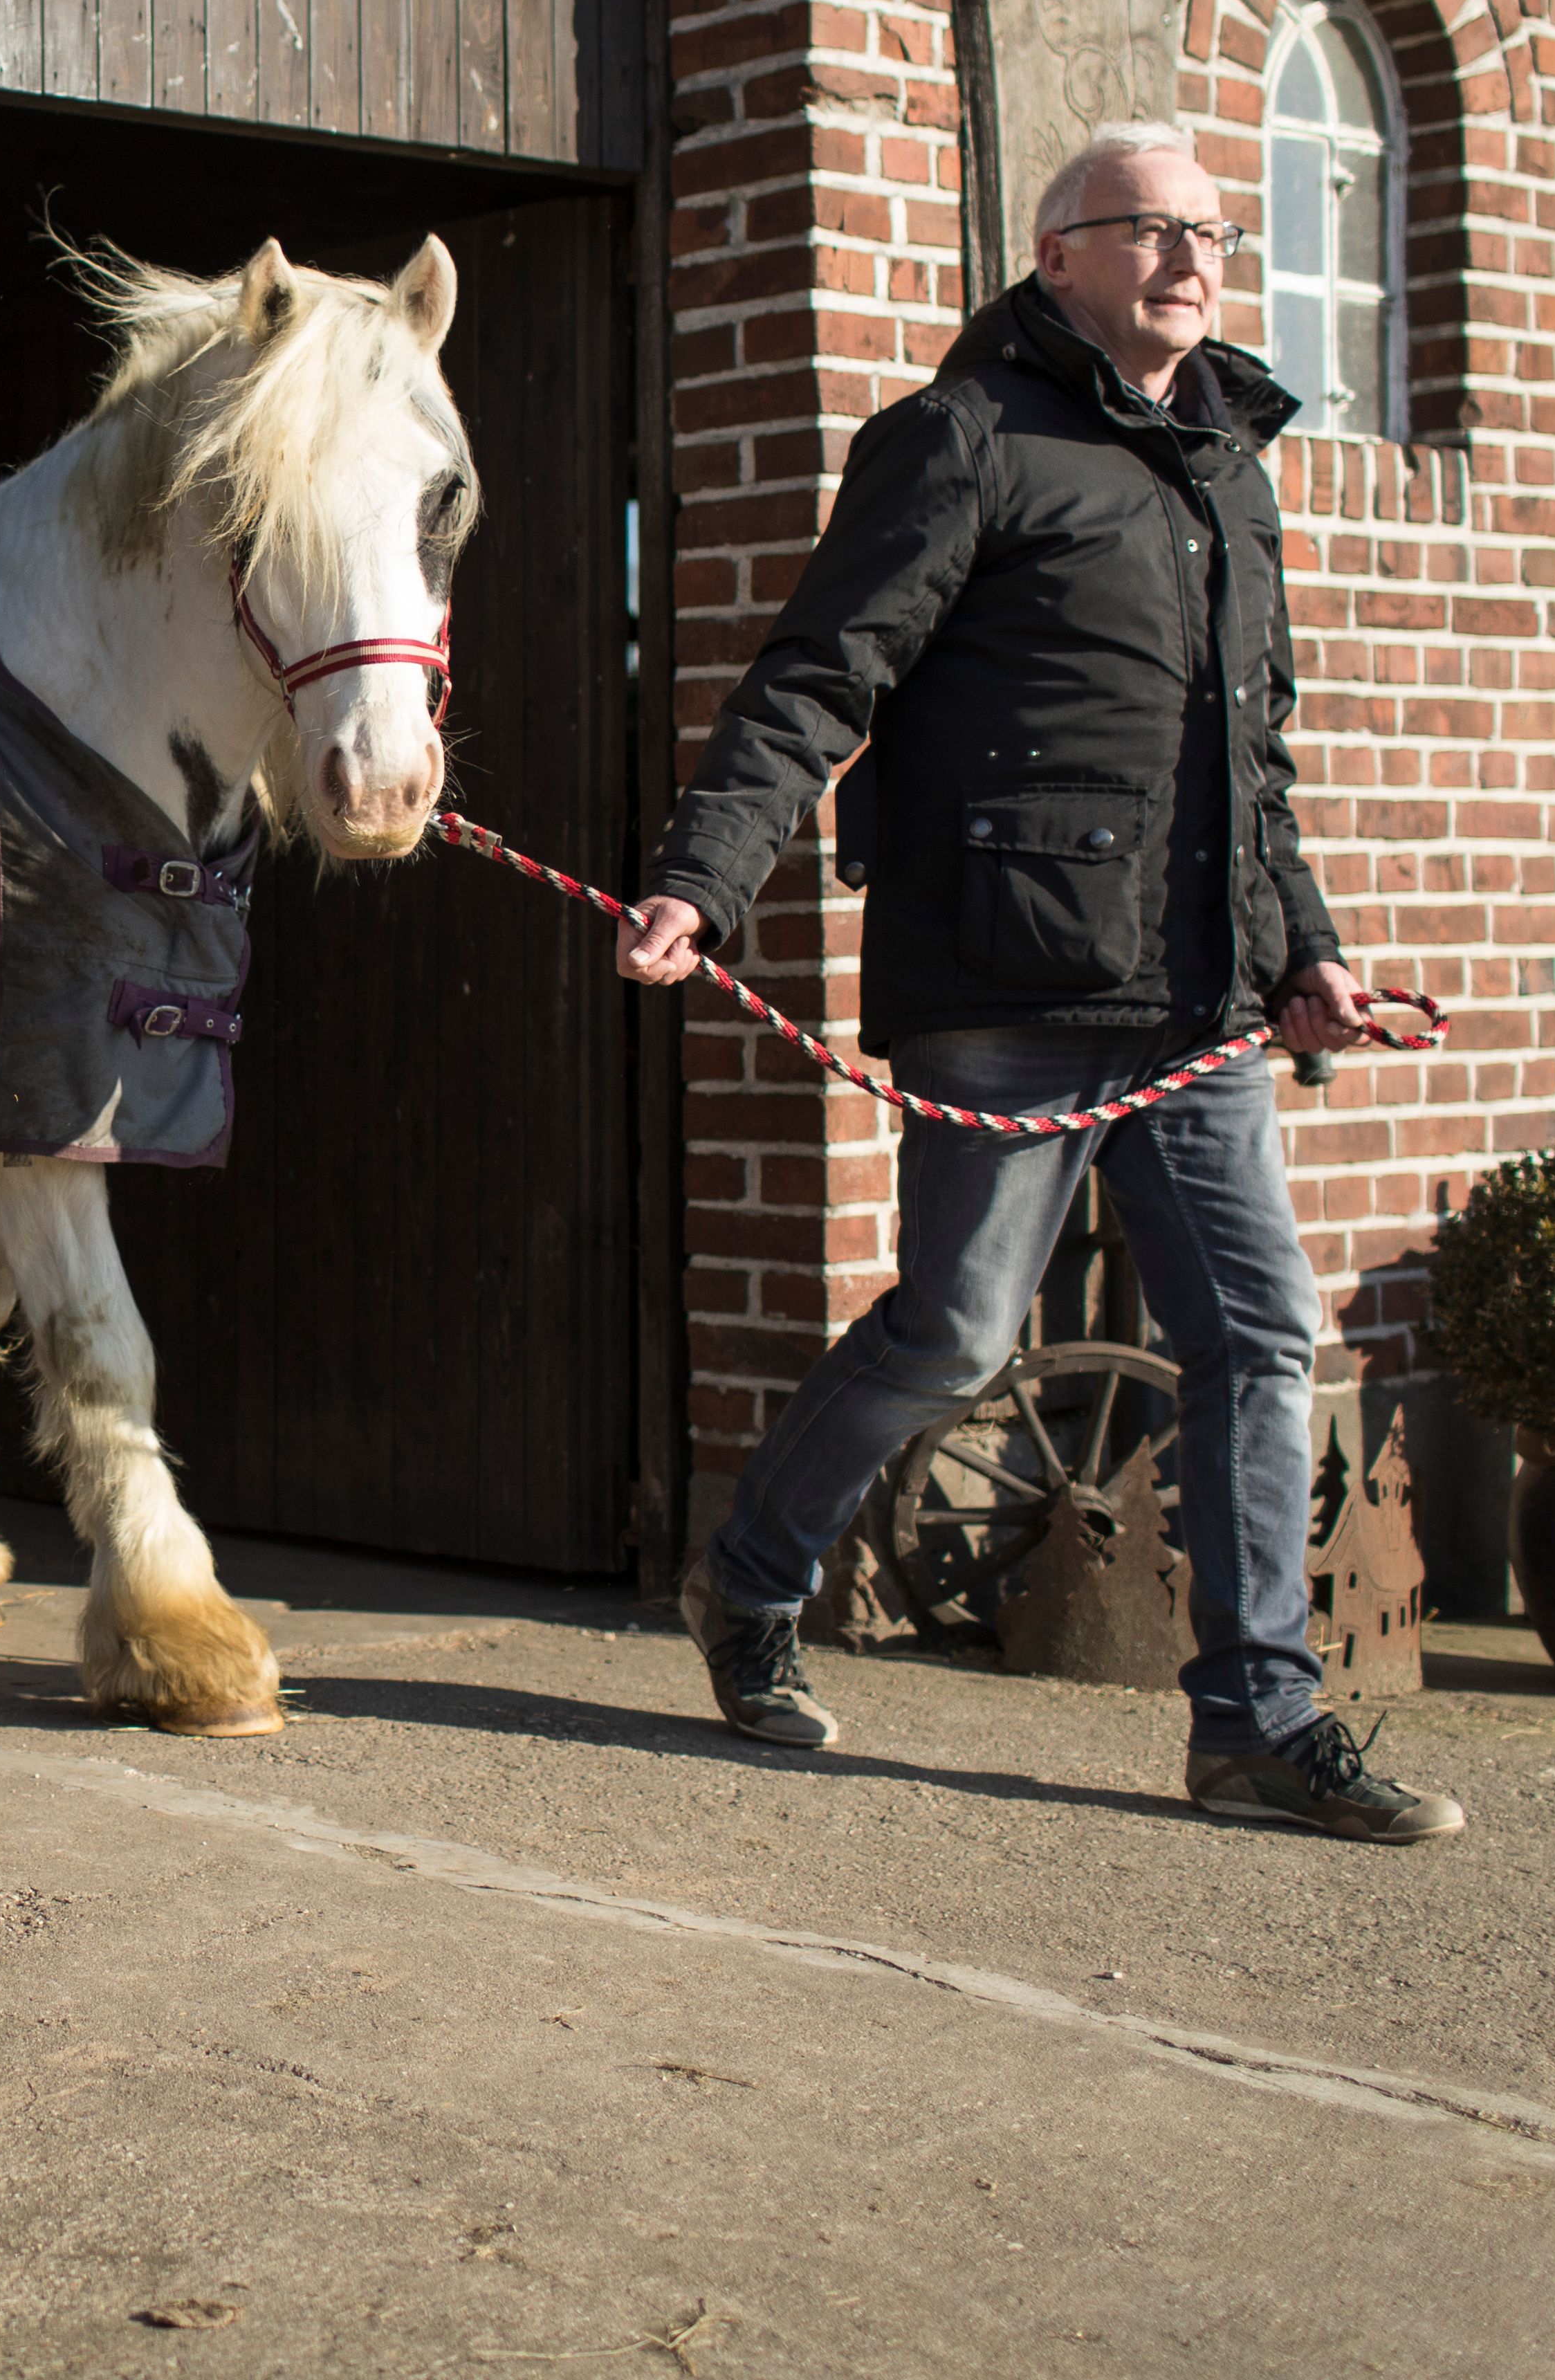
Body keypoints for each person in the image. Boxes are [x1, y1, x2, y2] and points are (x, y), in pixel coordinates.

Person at [620, 121, 1463, 1842]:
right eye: (1146, 228)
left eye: (1211, 229)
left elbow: (1252, 761)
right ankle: (753, 1574)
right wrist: (706, 877)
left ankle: (1253, 1717)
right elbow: (819, 674)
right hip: (1005, 973)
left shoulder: (1229, 460)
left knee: (1258, 1326)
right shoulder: (959, 438)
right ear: (1054, 253)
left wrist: (1308, 949)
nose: (1191, 257)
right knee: (960, 1328)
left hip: (1198, 1002)